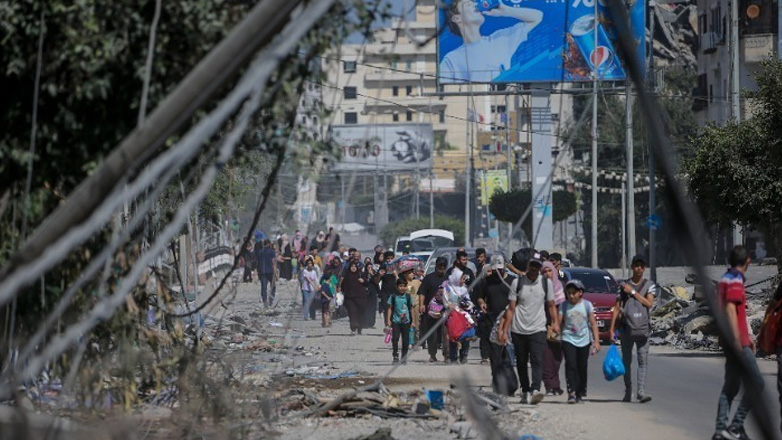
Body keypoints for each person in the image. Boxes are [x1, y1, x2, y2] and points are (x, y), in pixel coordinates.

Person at [711, 246, 764, 440]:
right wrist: (737, 340)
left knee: (731, 387)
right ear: (747, 261)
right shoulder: (735, 280)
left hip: (732, 340)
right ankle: (735, 426)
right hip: (736, 342)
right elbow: (731, 311)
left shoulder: (725, 279)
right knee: (757, 383)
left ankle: (720, 430)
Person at [498, 255, 558, 405]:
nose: (534, 269)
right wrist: (505, 331)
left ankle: (535, 389)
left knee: (537, 359)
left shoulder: (546, 283)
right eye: (532, 266)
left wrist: (555, 322)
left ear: (540, 268)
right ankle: (525, 390)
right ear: (527, 266)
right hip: (519, 329)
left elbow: (551, 305)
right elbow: (511, 309)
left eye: (537, 266)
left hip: (538, 328)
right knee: (522, 362)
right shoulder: (517, 283)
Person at [440, 0, 543, 83]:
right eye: (468, 4)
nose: (475, 4)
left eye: (474, 3)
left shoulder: (500, 39)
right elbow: (444, 93)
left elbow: (537, 17)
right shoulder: (451, 60)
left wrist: (506, 11)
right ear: (457, 18)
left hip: (503, 105)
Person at [608, 254, 657, 403]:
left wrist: (633, 292)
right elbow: (616, 308)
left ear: (645, 268)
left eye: (642, 266)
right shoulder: (623, 286)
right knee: (626, 361)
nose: (639, 268)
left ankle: (641, 391)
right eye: (636, 265)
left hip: (643, 329)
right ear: (632, 267)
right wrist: (611, 329)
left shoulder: (650, 285)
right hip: (626, 328)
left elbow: (649, 304)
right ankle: (628, 390)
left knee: (643, 360)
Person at [559, 279, 601, 404]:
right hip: (568, 338)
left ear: (580, 293)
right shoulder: (564, 305)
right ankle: (571, 392)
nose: (571, 296)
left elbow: (593, 324)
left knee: (581, 366)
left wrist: (597, 342)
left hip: (584, 340)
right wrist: (555, 326)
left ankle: (580, 392)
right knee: (571, 364)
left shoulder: (587, 305)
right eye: (569, 293)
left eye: (574, 293)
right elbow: (559, 321)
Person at [541, 260, 566, 396]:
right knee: (546, 356)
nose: (547, 274)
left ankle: (555, 384)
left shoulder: (562, 287)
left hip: (560, 325)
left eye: (549, 271)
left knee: (557, 356)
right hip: (543, 325)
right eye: (544, 272)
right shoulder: (539, 288)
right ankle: (550, 385)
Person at [419, 256, 449, 362]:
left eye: (443, 266)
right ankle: (433, 354)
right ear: (436, 266)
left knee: (446, 333)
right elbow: (422, 292)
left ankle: (447, 355)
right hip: (431, 311)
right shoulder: (429, 278)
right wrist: (421, 304)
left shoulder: (448, 279)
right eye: (440, 265)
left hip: (445, 311)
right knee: (432, 334)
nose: (441, 267)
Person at [387, 278, 415, 365]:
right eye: (400, 286)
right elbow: (390, 308)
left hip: (406, 322)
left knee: (406, 340)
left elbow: (412, 309)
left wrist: (413, 321)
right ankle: (395, 356)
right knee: (395, 338)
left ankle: (404, 357)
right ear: (397, 286)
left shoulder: (408, 296)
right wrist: (388, 320)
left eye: (404, 286)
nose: (402, 288)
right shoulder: (393, 296)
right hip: (396, 321)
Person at [399, 261, 422, 348]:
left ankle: (417, 341)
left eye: (412, 272)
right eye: (409, 273)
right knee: (407, 324)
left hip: (416, 306)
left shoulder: (417, 282)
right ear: (405, 274)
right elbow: (410, 293)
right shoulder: (403, 284)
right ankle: (409, 341)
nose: (412, 274)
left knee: (417, 324)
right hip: (406, 307)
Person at [341, 261, 367, 335]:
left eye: (355, 266)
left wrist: (363, 281)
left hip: (360, 298)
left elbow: (367, 283)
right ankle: (353, 328)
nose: (353, 268)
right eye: (352, 266)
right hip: (349, 298)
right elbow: (343, 286)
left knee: (360, 313)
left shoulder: (361, 274)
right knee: (352, 313)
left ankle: (360, 328)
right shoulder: (347, 275)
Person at [255, 240, 276, 307]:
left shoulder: (260, 252)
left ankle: (265, 301)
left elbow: (257, 262)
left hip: (262, 271)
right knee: (273, 286)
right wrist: (276, 273)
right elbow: (273, 262)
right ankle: (271, 300)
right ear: (269, 244)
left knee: (264, 287)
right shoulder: (271, 252)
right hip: (270, 271)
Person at [379, 251, 397, 325]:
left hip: (394, 291)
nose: (389, 260)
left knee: (394, 309)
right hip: (385, 292)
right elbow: (377, 281)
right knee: (386, 309)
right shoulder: (383, 267)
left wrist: (396, 275)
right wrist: (380, 275)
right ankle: (387, 324)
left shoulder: (396, 267)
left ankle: (393, 325)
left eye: (391, 258)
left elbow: (400, 281)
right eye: (388, 258)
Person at [364, 259, 382, 329]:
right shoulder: (363, 274)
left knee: (372, 308)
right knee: (366, 308)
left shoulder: (375, 274)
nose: (369, 269)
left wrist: (372, 274)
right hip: (365, 293)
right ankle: (365, 322)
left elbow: (377, 282)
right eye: (368, 267)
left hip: (373, 292)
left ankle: (371, 323)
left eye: (371, 267)